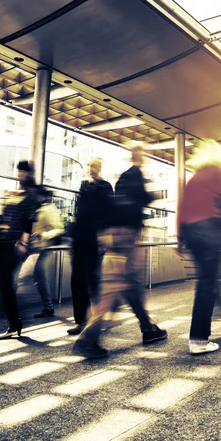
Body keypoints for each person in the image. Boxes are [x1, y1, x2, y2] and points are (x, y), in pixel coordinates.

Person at [73, 145, 167, 359]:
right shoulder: (135, 175)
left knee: (129, 282)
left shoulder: (122, 179)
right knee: (113, 284)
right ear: (139, 157)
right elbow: (141, 198)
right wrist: (154, 194)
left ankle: (148, 328)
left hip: (114, 232)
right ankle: (88, 338)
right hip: (126, 235)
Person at [177, 139, 221, 355]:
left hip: (191, 234)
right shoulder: (217, 171)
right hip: (208, 230)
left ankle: (198, 337)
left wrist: (180, 239)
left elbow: (182, 207)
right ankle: (199, 339)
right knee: (207, 286)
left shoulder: (194, 178)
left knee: (204, 283)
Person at [0, 160, 38, 339]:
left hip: (16, 243)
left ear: (29, 173)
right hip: (4, 242)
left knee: (3, 279)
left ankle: (15, 322)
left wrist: (24, 242)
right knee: (2, 281)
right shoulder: (14, 192)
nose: (20, 174)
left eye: (24, 172)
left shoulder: (31, 194)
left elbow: (29, 219)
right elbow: (4, 216)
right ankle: (15, 321)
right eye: (19, 171)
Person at [68, 158, 113, 335]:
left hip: (96, 237)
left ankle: (97, 317)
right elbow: (78, 212)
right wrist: (72, 238)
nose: (91, 168)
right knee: (77, 279)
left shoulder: (105, 187)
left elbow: (109, 212)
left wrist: (106, 234)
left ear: (99, 168)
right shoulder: (84, 186)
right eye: (89, 166)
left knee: (93, 278)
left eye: (94, 166)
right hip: (80, 237)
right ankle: (80, 320)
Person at [20, 186, 64, 318]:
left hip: (43, 248)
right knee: (39, 277)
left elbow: (59, 229)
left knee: (27, 276)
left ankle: (42, 307)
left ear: (43, 197)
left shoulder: (48, 210)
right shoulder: (35, 210)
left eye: (38, 195)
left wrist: (43, 235)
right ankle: (48, 307)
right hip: (32, 249)